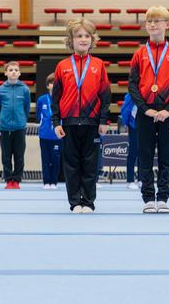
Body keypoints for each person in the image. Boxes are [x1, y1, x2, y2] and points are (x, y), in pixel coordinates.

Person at [128, 6, 169, 214]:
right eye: (149, 21)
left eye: (157, 21)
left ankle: (162, 198)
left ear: (167, 24)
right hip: (145, 113)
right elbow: (132, 85)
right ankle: (147, 199)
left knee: (166, 157)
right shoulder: (139, 54)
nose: (153, 24)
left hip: (168, 113)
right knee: (144, 156)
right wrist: (144, 109)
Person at [52, 18, 111, 213]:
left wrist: (103, 120)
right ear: (71, 39)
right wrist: (55, 122)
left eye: (87, 36)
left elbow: (105, 95)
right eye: (79, 36)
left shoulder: (99, 64)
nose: (83, 39)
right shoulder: (62, 66)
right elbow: (56, 97)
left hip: (92, 121)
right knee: (71, 165)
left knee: (90, 164)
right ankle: (75, 202)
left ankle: (88, 201)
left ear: (93, 39)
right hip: (68, 122)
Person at [0, 61, 31, 189]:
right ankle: (8, 180)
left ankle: (16, 180)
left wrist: (21, 120)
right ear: (6, 73)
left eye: (16, 70)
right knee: (6, 156)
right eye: (10, 70)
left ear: (19, 73)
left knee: (19, 155)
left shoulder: (25, 90)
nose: (13, 72)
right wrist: (3, 120)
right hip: (5, 128)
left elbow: (26, 108)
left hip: (19, 128)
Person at [37, 73, 61, 189]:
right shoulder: (42, 100)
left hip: (58, 135)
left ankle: (54, 182)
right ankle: (46, 182)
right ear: (47, 86)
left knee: (56, 160)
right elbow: (38, 115)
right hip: (45, 134)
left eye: (56, 83)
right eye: (51, 83)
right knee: (46, 159)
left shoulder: (62, 99)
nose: (54, 85)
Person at [120, 92, 139, 189]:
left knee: (144, 154)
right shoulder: (130, 95)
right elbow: (125, 110)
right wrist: (126, 123)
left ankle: (141, 179)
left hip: (146, 127)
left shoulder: (148, 92)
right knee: (133, 153)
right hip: (134, 126)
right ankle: (130, 180)